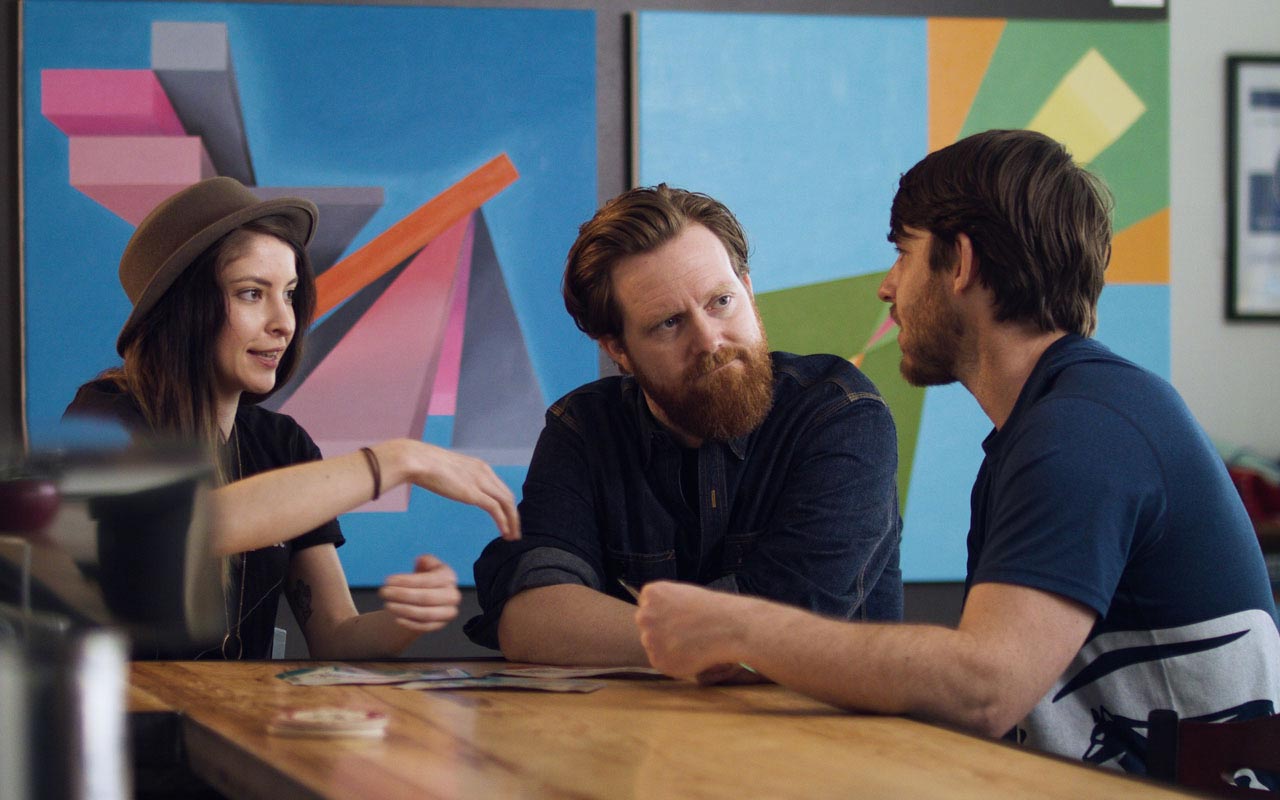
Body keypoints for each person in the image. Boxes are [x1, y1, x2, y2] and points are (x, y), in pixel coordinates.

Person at [635, 129, 1280, 773]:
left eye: (904, 254)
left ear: (961, 263)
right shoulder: (1059, 422)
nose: (887, 287)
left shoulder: (1083, 429)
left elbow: (983, 688)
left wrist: (737, 628)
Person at [66, 176, 520, 660]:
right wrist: (395, 460)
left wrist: (405, 620)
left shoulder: (282, 445)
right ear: (184, 309)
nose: (284, 322)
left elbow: (336, 635)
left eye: (289, 293)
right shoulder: (104, 418)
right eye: (251, 293)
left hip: (234, 729)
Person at [465, 184, 903, 666]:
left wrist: (606, 630)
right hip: (635, 739)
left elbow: (789, 626)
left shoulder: (838, 413)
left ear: (749, 289)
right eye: (669, 323)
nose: (710, 340)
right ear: (618, 350)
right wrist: (717, 642)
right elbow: (533, 618)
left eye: (721, 301)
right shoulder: (585, 430)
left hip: (822, 738)